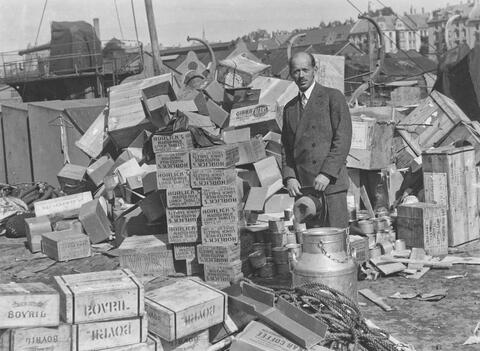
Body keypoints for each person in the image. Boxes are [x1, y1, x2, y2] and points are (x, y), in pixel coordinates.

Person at [281, 52, 352, 228]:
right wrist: (289, 177)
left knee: (337, 244)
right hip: (305, 189)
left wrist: (327, 173)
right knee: (313, 248)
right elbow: (286, 149)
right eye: (296, 71)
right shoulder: (289, 109)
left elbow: (342, 140)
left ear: (315, 70)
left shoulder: (332, 97)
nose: (301, 75)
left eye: (305, 70)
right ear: (291, 74)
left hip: (331, 186)